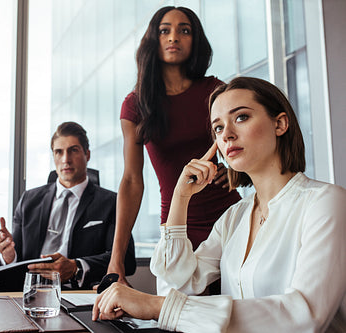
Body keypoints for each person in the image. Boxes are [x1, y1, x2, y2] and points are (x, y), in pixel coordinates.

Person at [92, 77, 346, 332]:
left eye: (241, 117)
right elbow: (179, 284)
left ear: (279, 124)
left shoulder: (325, 203)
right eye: (218, 128)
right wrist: (180, 198)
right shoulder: (234, 217)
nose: (228, 135)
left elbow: (306, 315)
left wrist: (156, 307)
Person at [108, 6, 240, 289]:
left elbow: (247, 145)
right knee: (178, 318)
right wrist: (115, 259)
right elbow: (132, 181)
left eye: (184, 30)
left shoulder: (216, 91)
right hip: (178, 226)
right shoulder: (135, 104)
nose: (174, 37)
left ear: (196, 41)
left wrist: (235, 173)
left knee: (240, 314)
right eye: (165, 30)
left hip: (229, 219)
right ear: (153, 41)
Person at [0, 122, 136, 292]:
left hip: (74, 288)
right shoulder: (30, 199)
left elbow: (127, 260)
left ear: (87, 154)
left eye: (73, 150)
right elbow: (16, 261)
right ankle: (11, 312)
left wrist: (76, 266)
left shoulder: (111, 202)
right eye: (59, 152)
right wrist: (8, 255)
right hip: (27, 285)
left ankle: (11, 314)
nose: (65, 159)